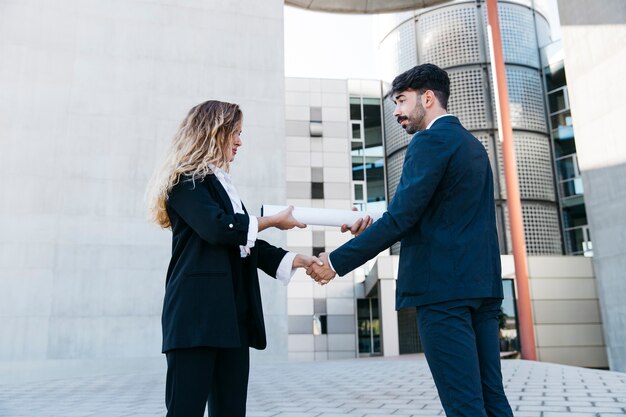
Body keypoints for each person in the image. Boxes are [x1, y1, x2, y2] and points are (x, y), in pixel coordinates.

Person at [307, 64, 514, 417]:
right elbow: (437, 215)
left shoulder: (429, 141)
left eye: (402, 101)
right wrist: (374, 228)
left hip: (443, 293)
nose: (398, 112)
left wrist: (336, 262)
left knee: (464, 404)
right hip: (482, 289)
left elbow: (401, 218)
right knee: (491, 398)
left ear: (428, 98)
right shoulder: (473, 145)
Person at [147, 100, 322, 417]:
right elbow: (218, 229)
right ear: (214, 132)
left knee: (231, 411)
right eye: (236, 133)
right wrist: (270, 220)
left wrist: (298, 260)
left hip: (233, 318)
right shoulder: (186, 181)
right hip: (196, 320)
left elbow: (245, 244)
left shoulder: (223, 185)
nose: (240, 141)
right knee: (185, 410)